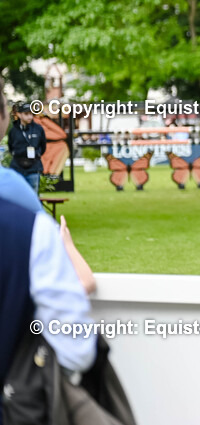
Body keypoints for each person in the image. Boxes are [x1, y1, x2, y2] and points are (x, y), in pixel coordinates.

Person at [0, 75, 96, 398]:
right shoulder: (27, 225)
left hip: (31, 171)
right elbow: (76, 349)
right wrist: (65, 248)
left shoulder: (37, 133)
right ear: (6, 119)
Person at [7, 101, 46, 194]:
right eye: (26, 114)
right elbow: (11, 146)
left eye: (31, 114)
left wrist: (37, 154)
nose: (30, 116)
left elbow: (43, 146)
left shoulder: (38, 129)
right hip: (17, 167)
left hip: (33, 167)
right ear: (19, 115)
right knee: (17, 195)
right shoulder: (13, 130)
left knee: (32, 195)